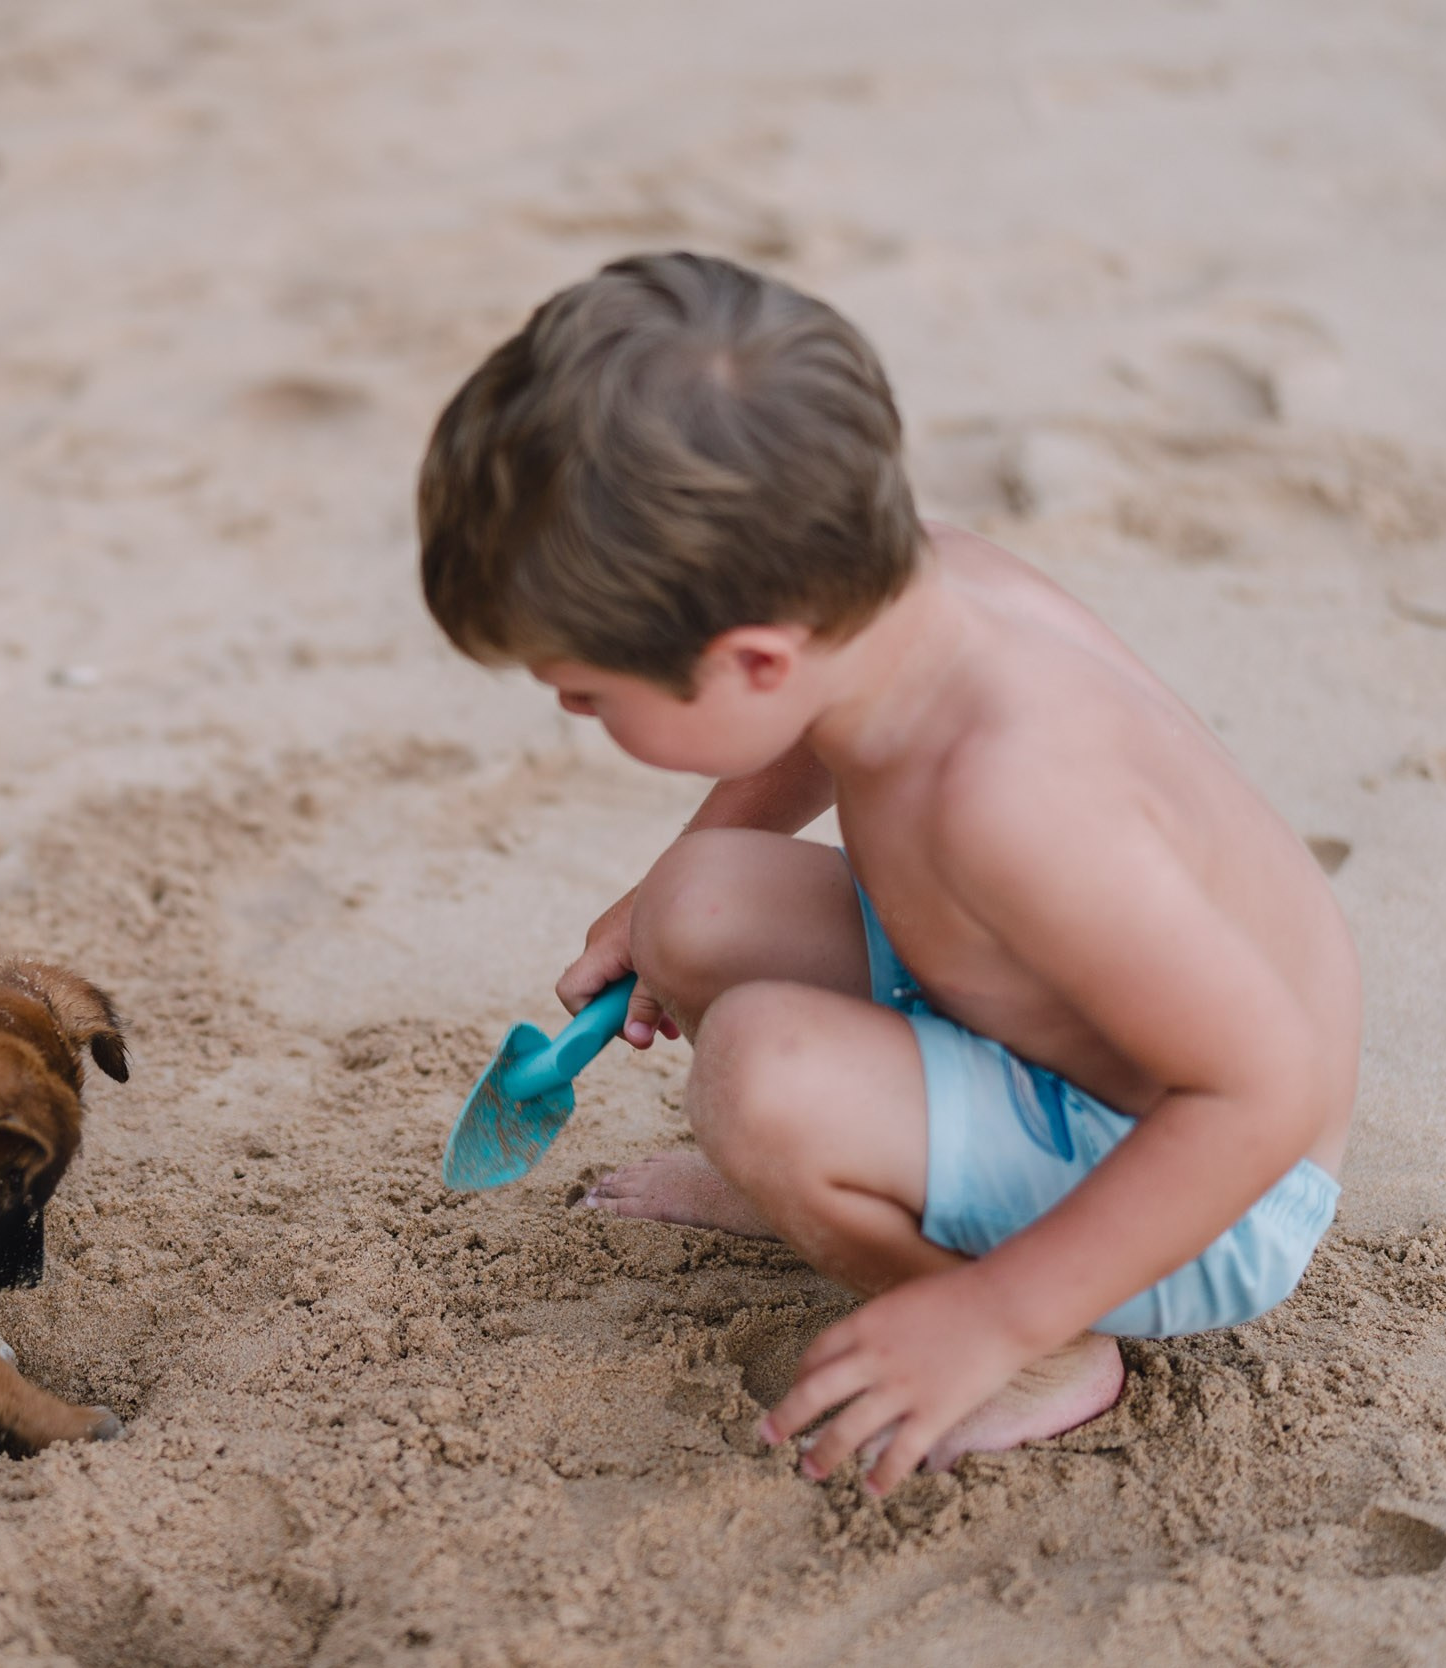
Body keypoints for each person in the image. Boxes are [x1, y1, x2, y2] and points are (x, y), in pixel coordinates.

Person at [417, 252, 1359, 1493]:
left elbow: (1260, 1093)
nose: (575, 715)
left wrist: (1002, 1314)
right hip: (1052, 1041)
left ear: (751, 658)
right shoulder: (892, 593)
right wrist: (656, 894)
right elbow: (805, 729)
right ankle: (844, 1188)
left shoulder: (1013, 799)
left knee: (762, 1076)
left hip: (1199, 1180)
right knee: (688, 902)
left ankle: (1040, 1353)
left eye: (585, 694)